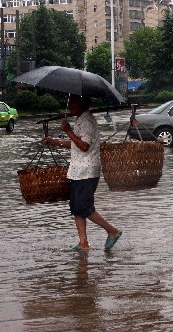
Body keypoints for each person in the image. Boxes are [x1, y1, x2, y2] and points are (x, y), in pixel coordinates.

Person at [43, 94, 122, 251]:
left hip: (86, 171)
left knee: (84, 207)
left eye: (73, 103)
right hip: (77, 171)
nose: (70, 106)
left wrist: (68, 131)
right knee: (76, 207)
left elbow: (84, 145)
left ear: (81, 104)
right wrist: (54, 141)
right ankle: (83, 242)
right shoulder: (80, 119)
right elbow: (75, 144)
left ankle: (112, 231)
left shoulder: (87, 121)